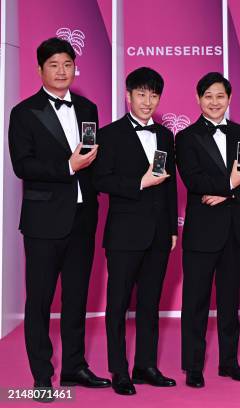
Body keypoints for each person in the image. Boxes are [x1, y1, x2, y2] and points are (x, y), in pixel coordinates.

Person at [8, 37, 110, 402]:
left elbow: (95, 161)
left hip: (83, 217)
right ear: (40, 70)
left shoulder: (88, 107)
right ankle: (40, 377)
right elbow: (24, 165)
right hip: (43, 222)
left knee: (77, 298)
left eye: (67, 64)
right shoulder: (23, 113)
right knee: (39, 300)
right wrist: (69, 165)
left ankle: (74, 366)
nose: (62, 70)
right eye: (54, 64)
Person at [93, 67, 178, 395]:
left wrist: (171, 228)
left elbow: (170, 186)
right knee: (117, 304)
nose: (147, 101)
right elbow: (100, 181)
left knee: (150, 303)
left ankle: (146, 365)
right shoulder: (110, 134)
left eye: (153, 95)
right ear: (128, 96)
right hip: (124, 234)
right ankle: (119, 370)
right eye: (141, 94)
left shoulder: (165, 135)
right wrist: (138, 182)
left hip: (159, 233)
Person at [176, 72, 240, 388]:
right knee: (196, 302)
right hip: (202, 233)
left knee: (230, 302)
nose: (215, 102)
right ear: (199, 99)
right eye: (208, 96)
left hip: (235, 231)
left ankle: (229, 363)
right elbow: (193, 180)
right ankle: (194, 367)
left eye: (221, 96)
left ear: (229, 99)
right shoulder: (185, 138)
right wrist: (230, 182)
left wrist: (229, 191)